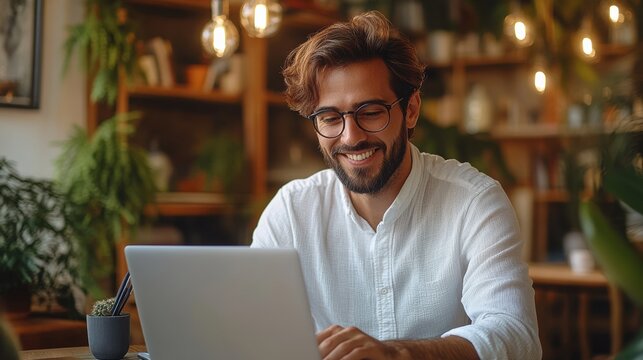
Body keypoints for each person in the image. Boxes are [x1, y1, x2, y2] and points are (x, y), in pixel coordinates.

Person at [251, 11, 541, 360]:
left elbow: (515, 335)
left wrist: (398, 354)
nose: (351, 136)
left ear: (412, 110)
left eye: (371, 112)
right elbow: (254, 332)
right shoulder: (291, 213)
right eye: (330, 118)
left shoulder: (474, 202)